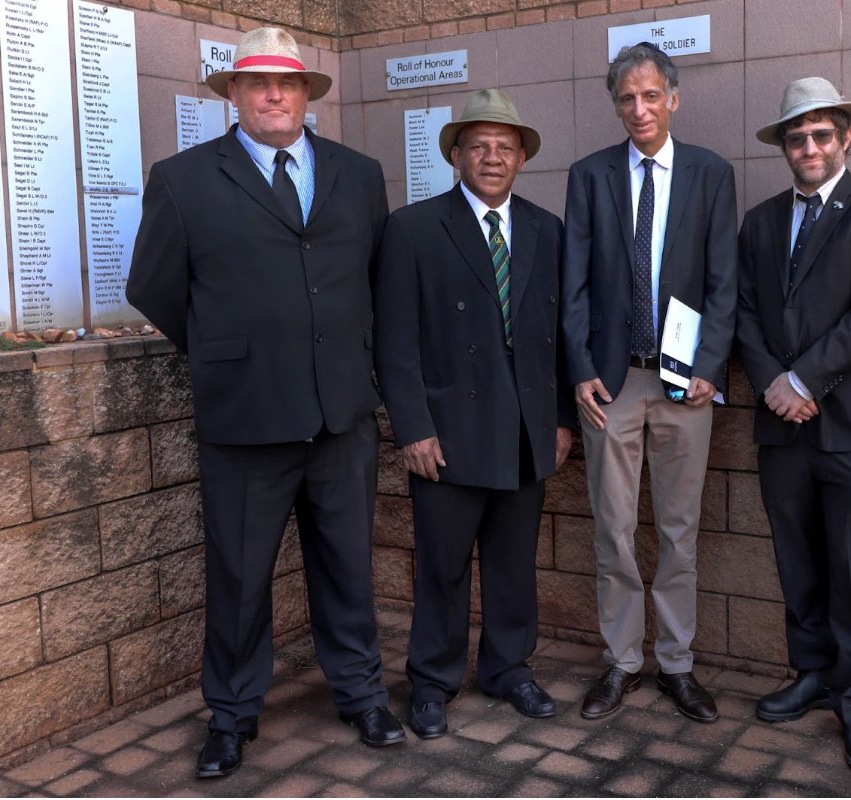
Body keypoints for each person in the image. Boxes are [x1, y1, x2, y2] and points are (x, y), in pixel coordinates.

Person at [126, 27, 404, 779]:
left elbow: (376, 285)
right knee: (241, 576)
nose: (274, 94)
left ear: (308, 93)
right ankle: (233, 713)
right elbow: (152, 286)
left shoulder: (360, 173)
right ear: (234, 96)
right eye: (257, 84)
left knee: (348, 565)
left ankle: (361, 691)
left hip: (341, 414)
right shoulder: (184, 180)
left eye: (287, 83)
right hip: (245, 416)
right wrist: (224, 350)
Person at [373, 89, 574, 739]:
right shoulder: (412, 229)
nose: (492, 157)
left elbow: (561, 335)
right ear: (456, 155)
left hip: (524, 429)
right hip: (448, 432)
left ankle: (508, 668)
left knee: (515, 561)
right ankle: (432, 681)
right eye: (479, 146)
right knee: (444, 563)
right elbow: (393, 341)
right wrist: (412, 427)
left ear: (521, 159)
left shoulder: (548, 229)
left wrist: (562, 418)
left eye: (505, 148)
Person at [734, 76, 851, 771]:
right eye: (795, 136)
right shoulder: (759, 222)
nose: (807, 147)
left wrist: (805, 380)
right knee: (799, 561)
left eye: (819, 135)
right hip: (783, 427)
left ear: (845, 138)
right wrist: (775, 385)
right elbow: (745, 312)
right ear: (784, 145)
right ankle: (812, 674)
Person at [561, 43, 737, 723]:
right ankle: (622, 662)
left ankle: (679, 665)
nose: (639, 108)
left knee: (679, 529)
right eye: (626, 98)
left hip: (683, 385)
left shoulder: (710, 174)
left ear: (673, 98)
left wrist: (709, 368)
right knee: (611, 528)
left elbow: (724, 282)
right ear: (616, 105)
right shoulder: (589, 175)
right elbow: (571, 285)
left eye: (650, 95)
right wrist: (580, 369)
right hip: (610, 383)